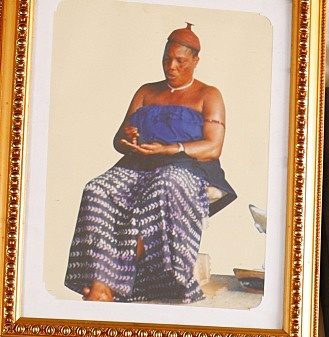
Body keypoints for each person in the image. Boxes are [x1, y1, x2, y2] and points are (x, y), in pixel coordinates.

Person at [64, 23, 235, 304]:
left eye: (180, 60)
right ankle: (99, 280)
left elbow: (213, 147)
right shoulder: (146, 91)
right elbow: (119, 138)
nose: (171, 66)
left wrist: (170, 149)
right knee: (97, 190)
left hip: (187, 166)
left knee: (164, 185)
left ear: (195, 61)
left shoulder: (209, 94)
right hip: (138, 164)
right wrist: (128, 140)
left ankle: (110, 284)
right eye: (167, 58)